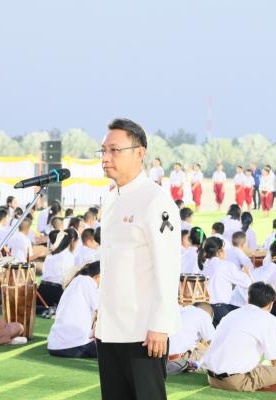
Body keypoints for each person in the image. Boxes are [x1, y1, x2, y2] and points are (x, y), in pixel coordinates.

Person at [95, 118, 180, 400]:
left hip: (143, 332)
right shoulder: (111, 200)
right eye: (103, 151)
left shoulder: (155, 200)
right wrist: (100, 316)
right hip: (110, 329)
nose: (106, 158)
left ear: (139, 153)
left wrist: (161, 325)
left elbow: (167, 266)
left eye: (114, 150)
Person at [202, 282, 276, 392]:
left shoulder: (230, 314)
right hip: (236, 381)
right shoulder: (268, 319)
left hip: (212, 379)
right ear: (270, 304)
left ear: (248, 299)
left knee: (265, 365)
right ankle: (262, 384)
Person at [47, 261, 100, 358]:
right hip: (75, 346)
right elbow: (101, 310)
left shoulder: (77, 280)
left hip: (54, 346)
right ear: (98, 276)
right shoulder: (88, 281)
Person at [198, 237, 252, 326]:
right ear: (219, 252)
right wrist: (245, 272)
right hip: (220, 310)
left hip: (205, 309)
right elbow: (247, 282)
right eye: (224, 249)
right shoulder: (225, 266)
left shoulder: (204, 268)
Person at [167, 302, 215, 375]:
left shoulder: (181, 309)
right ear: (210, 316)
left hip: (157, 358)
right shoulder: (204, 315)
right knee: (208, 355)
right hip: (176, 362)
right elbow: (215, 343)